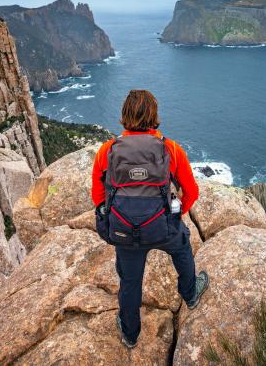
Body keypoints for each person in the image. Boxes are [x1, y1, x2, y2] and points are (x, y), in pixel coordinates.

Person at [91, 89, 209, 348]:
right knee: (182, 247)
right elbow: (192, 191)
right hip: (163, 227)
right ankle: (190, 293)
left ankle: (130, 334)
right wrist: (176, 215)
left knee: (130, 281)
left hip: (123, 230)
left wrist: (113, 215)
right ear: (155, 116)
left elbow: (98, 195)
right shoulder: (170, 149)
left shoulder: (107, 151)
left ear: (124, 116)